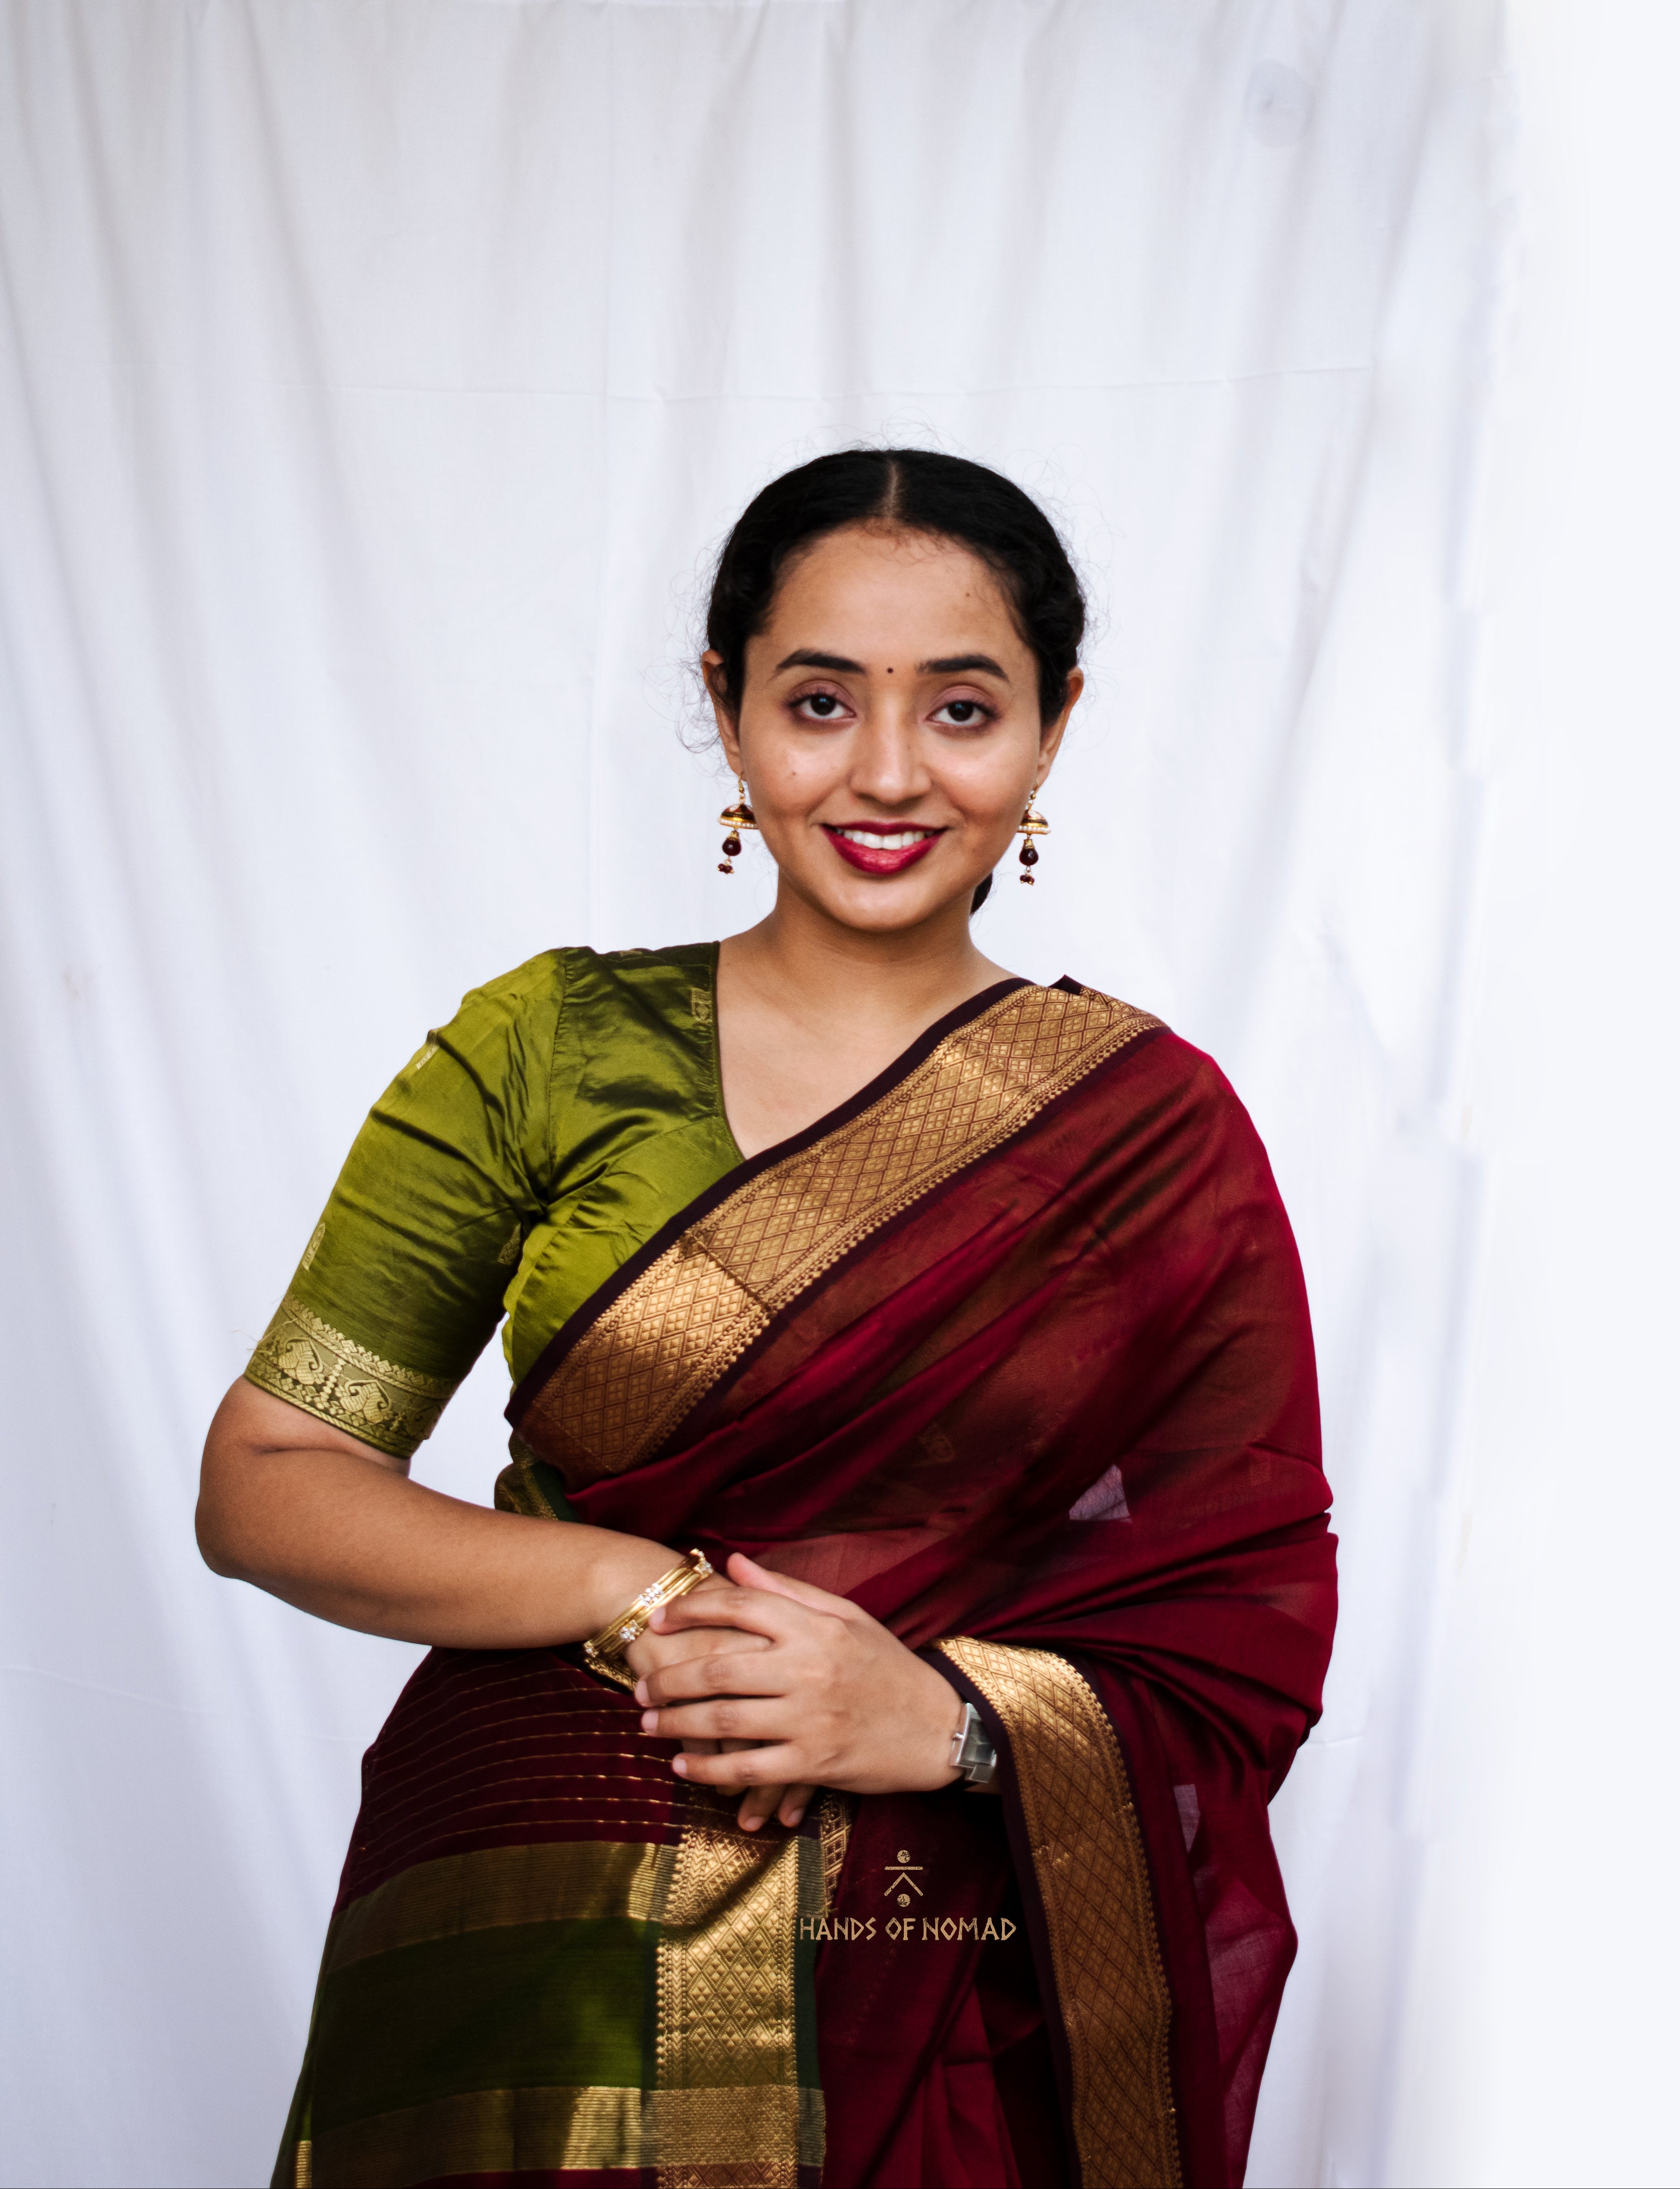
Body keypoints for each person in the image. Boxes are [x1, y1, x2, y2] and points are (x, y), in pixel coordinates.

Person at [198, 448, 1336, 2189]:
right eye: (819, 699)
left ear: (1055, 726)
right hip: (533, 1946)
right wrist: (634, 1585)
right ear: (727, 711)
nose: (887, 772)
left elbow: (1242, 1626)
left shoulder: (1150, 1133)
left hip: (931, 1968)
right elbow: (268, 1474)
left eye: (963, 706)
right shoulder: (551, 1050)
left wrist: (951, 1723)